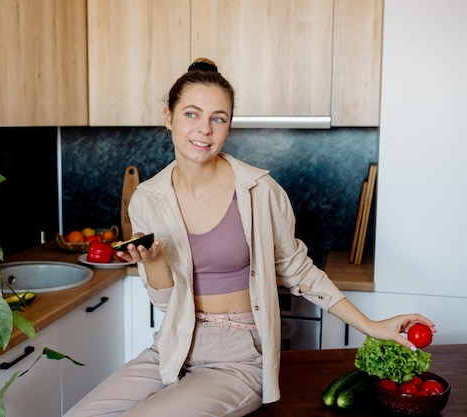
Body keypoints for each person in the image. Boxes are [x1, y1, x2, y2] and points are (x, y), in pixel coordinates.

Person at [64, 58, 436, 417]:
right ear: (168, 117)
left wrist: (370, 326)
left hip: (239, 357)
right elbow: (163, 301)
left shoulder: (259, 190)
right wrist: (155, 260)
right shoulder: (148, 198)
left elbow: (298, 270)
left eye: (218, 118)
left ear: (228, 126)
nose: (204, 129)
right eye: (191, 113)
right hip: (173, 347)